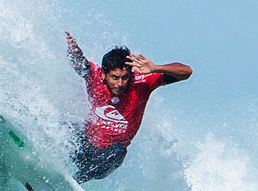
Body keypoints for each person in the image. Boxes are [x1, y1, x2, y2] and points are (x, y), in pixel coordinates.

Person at [65, 31, 192, 182]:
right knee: (64, 126)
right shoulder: (94, 76)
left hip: (105, 158)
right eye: (115, 77)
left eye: (125, 77)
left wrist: (156, 68)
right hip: (85, 146)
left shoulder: (142, 82)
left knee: (119, 151)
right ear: (104, 74)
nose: (120, 83)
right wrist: (74, 52)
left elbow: (187, 72)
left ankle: (74, 181)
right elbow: (81, 64)